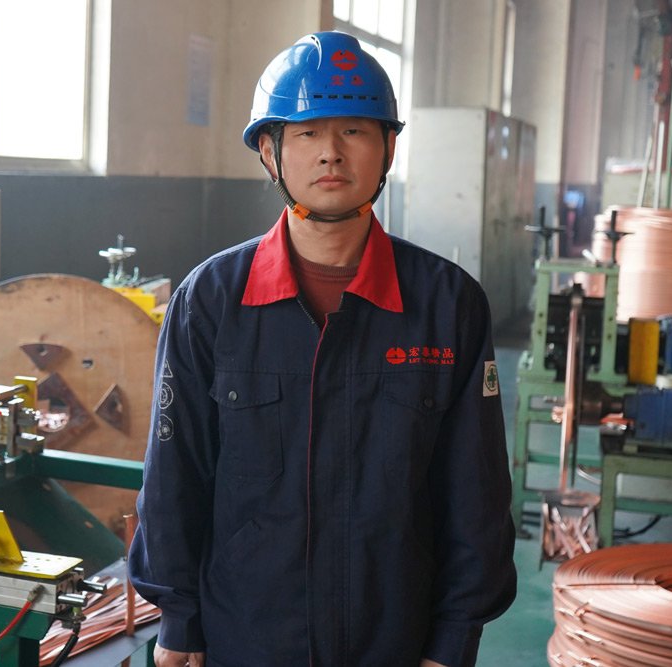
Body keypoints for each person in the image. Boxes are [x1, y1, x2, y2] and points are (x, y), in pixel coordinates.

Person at [128, 31, 516, 667]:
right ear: (270, 152)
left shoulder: (448, 305)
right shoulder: (212, 300)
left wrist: (455, 638)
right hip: (246, 637)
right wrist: (179, 618)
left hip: (395, 639)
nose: (331, 152)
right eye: (307, 133)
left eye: (354, 131)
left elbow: (476, 492)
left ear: (388, 147)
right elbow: (175, 474)